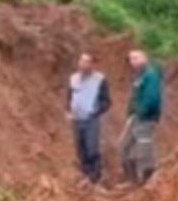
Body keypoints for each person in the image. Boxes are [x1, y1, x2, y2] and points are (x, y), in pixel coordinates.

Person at [67, 52, 112, 185]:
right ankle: (85, 175)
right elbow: (69, 96)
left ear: (93, 64)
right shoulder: (73, 78)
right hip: (76, 118)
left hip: (91, 119)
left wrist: (96, 112)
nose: (83, 64)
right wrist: (68, 110)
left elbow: (107, 101)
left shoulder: (100, 79)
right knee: (80, 148)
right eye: (81, 61)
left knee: (92, 147)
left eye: (87, 62)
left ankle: (96, 177)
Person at [121, 49, 163, 185]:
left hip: (146, 118)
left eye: (137, 58)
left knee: (144, 145)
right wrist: (130, 113)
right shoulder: (140, 76)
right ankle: (132, 179)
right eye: (131, 59)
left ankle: (147, 177)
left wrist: (141, 112)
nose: (134, 62)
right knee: (123, 146)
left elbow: (152, 98)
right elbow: (134, 97)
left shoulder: (151, 75)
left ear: (145, 58)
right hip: (136, 117)